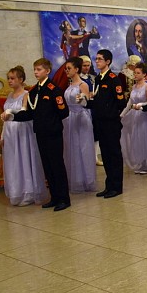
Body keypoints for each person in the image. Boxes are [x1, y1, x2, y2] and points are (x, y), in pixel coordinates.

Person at [4, 58, 70, 212]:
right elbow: (29, 114)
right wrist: (12, 116)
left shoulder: (54, 90)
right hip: (40, 133)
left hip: (53, 133)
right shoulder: (34, 91)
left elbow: (63, 112)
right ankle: (54, 197)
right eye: (34, 69)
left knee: (57, 166)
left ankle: (64, 199)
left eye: (39, 69)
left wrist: (50, 122)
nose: (36, 72)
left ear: (47, 71)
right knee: (47, 166)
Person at [0, 66, 47, 206]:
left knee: (24, 159)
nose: (9, 81)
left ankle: (29, 192)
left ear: (21, 79)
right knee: (13, 161)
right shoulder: (9, 96)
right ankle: (17, 191)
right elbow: (4, 118)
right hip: (10, 132)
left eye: (13, 78)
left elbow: (24, 111)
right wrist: (3, 135)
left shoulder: (27, 94)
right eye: (8, 78)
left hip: (22, 130)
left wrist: (10, 111)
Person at [86, 49, 127, 198]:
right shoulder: (98, 79)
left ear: (108, 61)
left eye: (100, 59)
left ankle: (117, 186)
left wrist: (109, 113)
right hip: (100, 122)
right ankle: (109, 185)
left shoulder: (113, 79)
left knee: (114, 154)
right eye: (96, 59)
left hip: (111, 123)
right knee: (106, 155)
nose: (97, 61)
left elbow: (120, 102)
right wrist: (86, 103)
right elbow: (97, 101)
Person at [62, 56, 96, 192]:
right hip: (69, 118)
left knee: (83, 147)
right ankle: (75, 179)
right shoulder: (69, 85)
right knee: (72, 148)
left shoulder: (83, 85)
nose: (67, 71)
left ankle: (86, 180)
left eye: (69, 68)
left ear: (76, 69)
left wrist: (81, 99)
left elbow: (87, 103)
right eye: (66, 69)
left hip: (81, 117)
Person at [120, 61, 147, 174]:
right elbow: (129, 103)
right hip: (134, 115)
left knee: (144, 138)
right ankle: (141, 162)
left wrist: (141, 105)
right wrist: (122, 115)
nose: (135, 75)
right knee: (136, 138)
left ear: (144, 74)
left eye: (137, 73)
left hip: (143, 114)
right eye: (135, 73)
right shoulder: (134, 87)